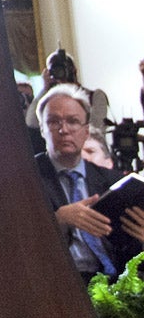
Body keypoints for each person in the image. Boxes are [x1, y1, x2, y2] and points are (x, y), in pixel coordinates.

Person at [35, 83, 143, 281]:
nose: (64, 130)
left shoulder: (113, 181)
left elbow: (129, 249)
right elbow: (13, 243)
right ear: (42, 130)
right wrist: (58, 220)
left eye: (73, 121)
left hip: (116, 282)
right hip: (60, 283)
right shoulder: (26, 181)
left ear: (86, 131)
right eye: (53, 122)